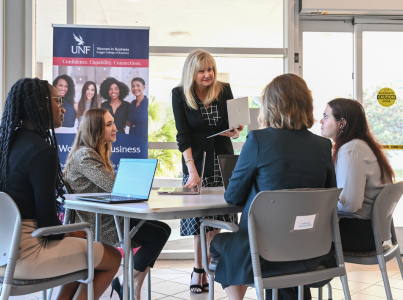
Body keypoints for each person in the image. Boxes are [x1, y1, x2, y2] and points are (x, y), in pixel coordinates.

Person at [0, 78, 121, 300]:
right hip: (24, 255)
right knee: (112, 257)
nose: (63, 107)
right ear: (40, 105)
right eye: (58, 101)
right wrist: (82, 234)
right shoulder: (42, 151)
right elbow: (48, 224)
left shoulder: (5, 145)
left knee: (84, 257)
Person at [210, 74, 337, 300]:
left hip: (265, 253)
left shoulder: (258, 140)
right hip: (312, 251)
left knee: (220, 242)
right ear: (306, 104)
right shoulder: (323, 145)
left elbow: (233, 196)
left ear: (270, 106)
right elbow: (328, 198)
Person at [63, 108, 171, 300]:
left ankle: (130, 284)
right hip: (100, 223)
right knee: (158, 234)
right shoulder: (85, 155)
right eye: (108, 124)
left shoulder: (94, 151)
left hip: (108, 216)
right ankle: (128, 283)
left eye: (113, 122)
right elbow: (114, 186)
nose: (115, 128)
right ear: (95, 129)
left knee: (163, 229)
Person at [171, 49, 244, 294]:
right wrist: (191, 170)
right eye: (202, 70)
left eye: (210, 69)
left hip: (222, 161)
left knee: (218, 220)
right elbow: (183, 135)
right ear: (192, 72)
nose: (207, 75)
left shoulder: (224, 90)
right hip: (196, 163)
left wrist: (234, 130)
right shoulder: (180, 94)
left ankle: (212, 267)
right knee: (197, 221)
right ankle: (198, 269)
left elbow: (231, 126)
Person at [320, 98, 394, 252]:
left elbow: (349, 205)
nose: (321, 121)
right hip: (371, 232)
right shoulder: (361, 146)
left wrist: (320, 209)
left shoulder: (351, 150)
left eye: (326, 116)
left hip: (359, 234)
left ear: (342, 123)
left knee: (301, 235)